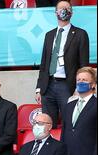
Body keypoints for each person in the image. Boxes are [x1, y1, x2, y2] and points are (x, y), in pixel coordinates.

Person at [35, 0, 89, 128]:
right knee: (48, 125)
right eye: (61, 8)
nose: (64, 11)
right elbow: (44, 64)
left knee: (70, 124)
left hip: (68, 86)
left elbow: (84, 65)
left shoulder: (80, 34)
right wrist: (39, 89)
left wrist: (79, 88)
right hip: (48, 87)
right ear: (55, 12)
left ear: (71, 12)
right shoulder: (49, 35)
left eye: (67, 8)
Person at [61, 67, 96, 155]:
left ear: (93, 84)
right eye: (78, 80)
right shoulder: (69, 106)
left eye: (84, 80)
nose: (80, 82)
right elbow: (64, 134)